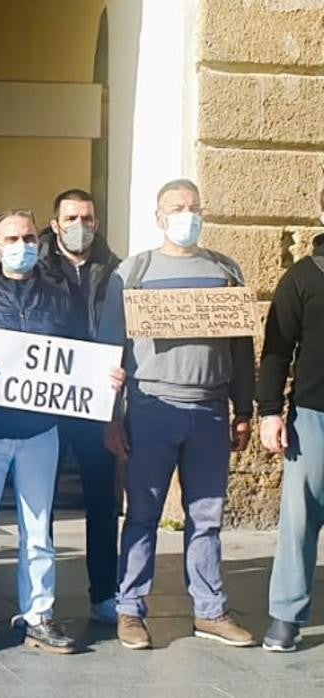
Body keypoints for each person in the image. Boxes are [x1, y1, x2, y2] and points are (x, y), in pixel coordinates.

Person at [98, 178, 256, 651]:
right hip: (151, 409)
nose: (186, 215)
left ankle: (210, 611)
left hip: (210, 410)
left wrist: (243, 409)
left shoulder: (227, 270)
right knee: (143, 515)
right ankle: (130, 610)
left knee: (207, 517)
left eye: (193, 206)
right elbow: (111, 349)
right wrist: (111, 416)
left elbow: (242, 347)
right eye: (176, 207)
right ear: (159, 216)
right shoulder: (134, 271)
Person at [0, 209, 117, 658]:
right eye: (11, 238)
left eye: (27, 236)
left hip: (40, 432)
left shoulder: (59, 299)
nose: (21, 245)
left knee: (38, 529)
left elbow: (82, 356)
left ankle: (39, 616)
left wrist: (107, 378)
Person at [37, 188, 123, 623]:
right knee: (40, 503)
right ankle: (38, 600)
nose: (80, 226)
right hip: (47, 403)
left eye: (88, 218)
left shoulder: (119, 271)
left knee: (102, 502)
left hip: (97, 404)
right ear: (55, 224)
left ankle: (105, 593)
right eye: (71, 218)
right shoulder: (33, 267)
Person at [257, 186, 324, 652]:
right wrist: (267, 413)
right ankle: (286, 614)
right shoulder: (300, 278)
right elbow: (277, 351)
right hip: (313, 416)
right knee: (300, 520)